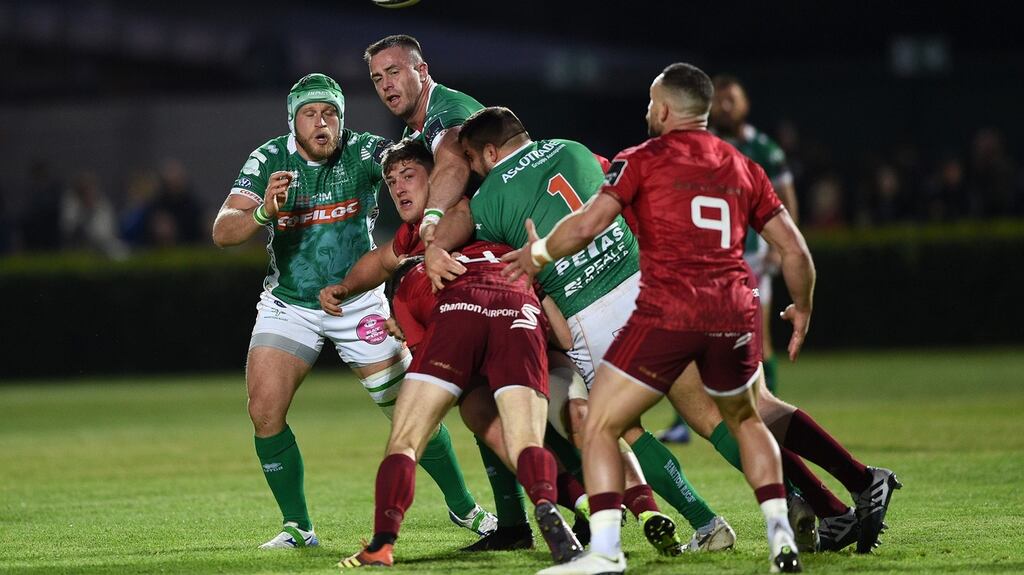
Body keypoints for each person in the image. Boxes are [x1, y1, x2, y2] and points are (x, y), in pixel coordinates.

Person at [505, 63, 809, 574]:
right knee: (742, 420)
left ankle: (607, 553)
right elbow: (795, 249)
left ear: (665, 110)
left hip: (672, 310)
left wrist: (537, 254)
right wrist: (802, 307)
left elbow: (588, 225)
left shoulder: (641, 159)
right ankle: (783, 535)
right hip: (734, 307)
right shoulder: (741, 164)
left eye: (651, 102)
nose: (648, 110)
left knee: (602, 422)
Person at [426, 106, 738, 555]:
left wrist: (434, 242)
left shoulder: (488, 198)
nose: (473, 172)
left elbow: (471, 229)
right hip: (644, 285)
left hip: (588, 314)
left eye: (473, 161)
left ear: (490, 153)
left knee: (625, 429)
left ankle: (706, 522)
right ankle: (794, 497)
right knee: (709, 415)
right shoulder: (575, 151)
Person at [210, 72, 493, 549]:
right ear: (293, 122)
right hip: (289, 304)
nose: (321, 123)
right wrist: (263, 212)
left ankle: (463, 506)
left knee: (408, 411)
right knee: (264, 411)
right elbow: (222, 231)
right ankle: (298, 527)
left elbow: (411, 166)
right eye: (310, 114)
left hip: (357, 300)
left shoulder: (364, 151)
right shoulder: (269, 159)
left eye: (330, 113)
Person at [326, 139, 583, 568]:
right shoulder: (418, 235)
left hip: (462, 318)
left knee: (407, 437)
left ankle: (382, 543)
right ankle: (568, 506)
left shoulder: (461, 214)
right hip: (518, 312)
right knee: (498, 424)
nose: (399, 187)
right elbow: (382, 259)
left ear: (440, 179)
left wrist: (409, 320)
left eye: (409, 176)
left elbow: (437, 240)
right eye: (391, 181)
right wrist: (345, 287)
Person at [658, 74, 799, 444]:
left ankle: (768, 412)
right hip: (707, 260)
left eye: (732, 99)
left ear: (745, 103)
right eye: (719, 100)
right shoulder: (705, 144)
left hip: (750, 258)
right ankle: (687, 421)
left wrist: (779, 247)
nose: (725, 106)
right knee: (692, 341)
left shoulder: (764, 148)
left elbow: (785, 199)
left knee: (759, 342)